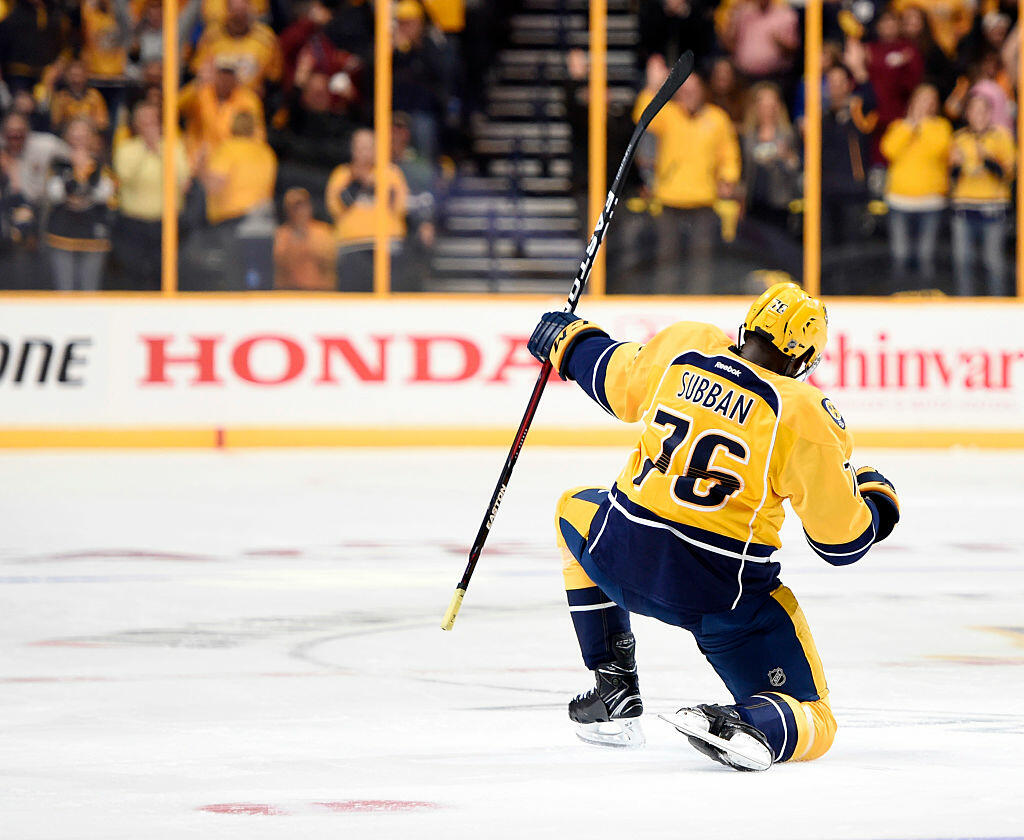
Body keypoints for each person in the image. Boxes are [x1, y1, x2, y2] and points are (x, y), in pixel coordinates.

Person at [526, 282, 901, 770]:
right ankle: (752, 725)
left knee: (571, 507)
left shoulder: (689, 347)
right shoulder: (803, 412)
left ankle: (613, 687)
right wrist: (876, 502)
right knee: (816, 719)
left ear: (747, 327)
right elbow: (841, 543)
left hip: (618, 554)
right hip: (718, 595)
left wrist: (570, 342)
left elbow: (615, 379)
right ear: (804, 361)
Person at [632, 61, 740, 294]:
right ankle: (665, 299)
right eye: (685, 90)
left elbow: (729, 152)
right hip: (670, 198)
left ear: (702, 91)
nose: (689, 95)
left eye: (693, 90)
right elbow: (642, 113)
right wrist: (653, 86)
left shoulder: (716, 118)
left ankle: (699, 300)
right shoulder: (669, 114)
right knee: (666, 256)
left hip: (703, 199)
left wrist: (728, 178)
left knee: (702, 258)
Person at [879, 84, 951, 290]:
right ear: (913, 102)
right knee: (900, 255)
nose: (926, 104)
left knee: (925, 256)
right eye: (922, 99)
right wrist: (909, 126)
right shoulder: (899, 126)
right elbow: (889, 150)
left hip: (931, 203)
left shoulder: (940, 127)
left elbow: (938, 149)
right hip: (900, 201)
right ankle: (899, 297)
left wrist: (924, 125)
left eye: (931, 99)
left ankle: (926, 299)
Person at [112, 101, 189, 289]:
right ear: (136, 124)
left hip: (166, 223)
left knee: (164, 273)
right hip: (133, 223)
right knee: (133, 273)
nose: (148, 126)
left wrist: (159, 150)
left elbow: (182, 178)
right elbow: (124, 178)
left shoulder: (173, 147)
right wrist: (145, 150)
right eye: (143, 121)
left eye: (152, 121)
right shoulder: (126, 148)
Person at [325, 128, 408, 291]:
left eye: (369, 146)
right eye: (360, 147)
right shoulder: (342, 175)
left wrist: (375, 184)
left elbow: (399, 206)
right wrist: (358, 181)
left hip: (386, 247)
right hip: (352, 247)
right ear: (352, 149)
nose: (365, 152)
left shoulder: (391, 173)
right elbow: (336, 208)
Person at [949, 92, 1014, 296]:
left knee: (993, 262)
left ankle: (997, 306)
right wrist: (956, 165)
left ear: (990, 113)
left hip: (992, 208)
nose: (979, 114)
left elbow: (1007, 175)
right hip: (964, 208)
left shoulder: (1001, 136)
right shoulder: (959, 138)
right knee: (963, 262)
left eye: (983, 110)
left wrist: (987, 158)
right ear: (967, 113)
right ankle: (965, 306)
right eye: (974, 110)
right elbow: (952, 177)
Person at [43, 117, 115, 291]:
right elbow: (54, 194)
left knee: (89, 289)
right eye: (74, 133)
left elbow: (106, 194)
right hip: (62, 230)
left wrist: (85, 175)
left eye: (84, 134)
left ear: (92, 137)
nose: (79, 137)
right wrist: (74, 173)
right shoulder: (59, 162)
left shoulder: (101, 162)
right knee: (64, 289)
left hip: (92, 230)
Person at [273, 187, 336, 290]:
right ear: (287, 211)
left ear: (309, 207)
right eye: (294, 208)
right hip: (290, 292)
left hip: (320, 290)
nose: (299, 211)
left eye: (302, 206)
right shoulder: (281, 234)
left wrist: (305, 237)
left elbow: (328, 261)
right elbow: (280, 265)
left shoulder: (323, 231)